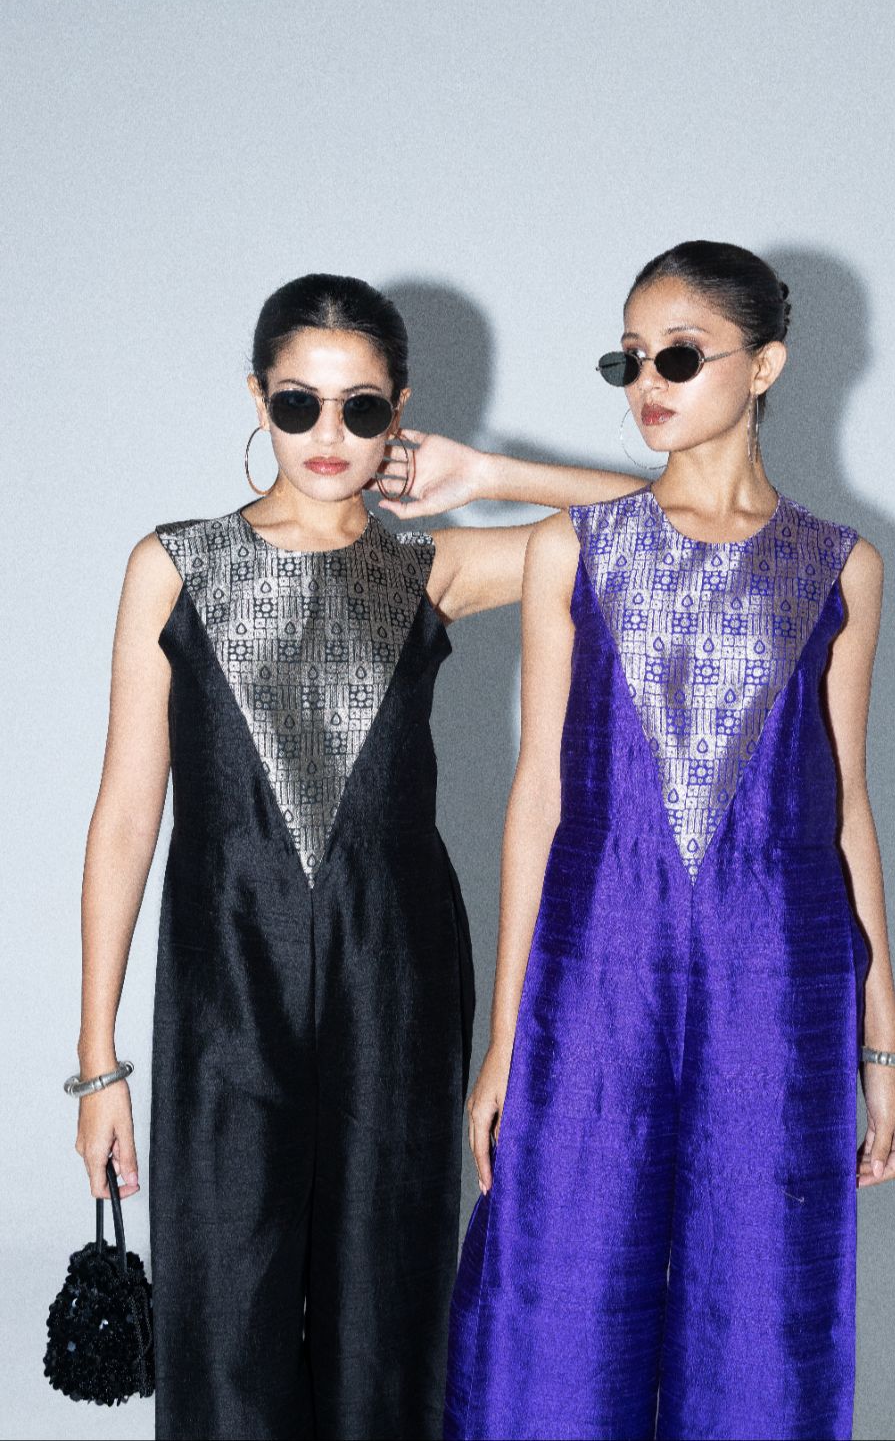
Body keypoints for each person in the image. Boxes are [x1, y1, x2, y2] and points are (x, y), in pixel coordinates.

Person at [70, 273, 639, 1441]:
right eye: (299, 404)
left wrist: (489, 473)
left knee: (388, 1303)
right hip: (225, 977)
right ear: (256, 399)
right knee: (223, 1308)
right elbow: (127, 812)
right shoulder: (172, 566)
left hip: (398, 974)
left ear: (399, 412)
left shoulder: (435, 567)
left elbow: (671, 519)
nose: (328, 435)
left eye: (361, 408)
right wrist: (97, 1064)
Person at [446, 241, 895, 1441]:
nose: (645, 383)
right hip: (594, 966)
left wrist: (882, 1047)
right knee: (557, 1296)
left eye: (677, 356)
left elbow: (847, 808)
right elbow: (537, 799)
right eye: (628, 359)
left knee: (763, 1310)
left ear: (765, 365)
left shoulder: (842, 566)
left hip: (782, 982)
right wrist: (504, 1040)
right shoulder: (574, 548)